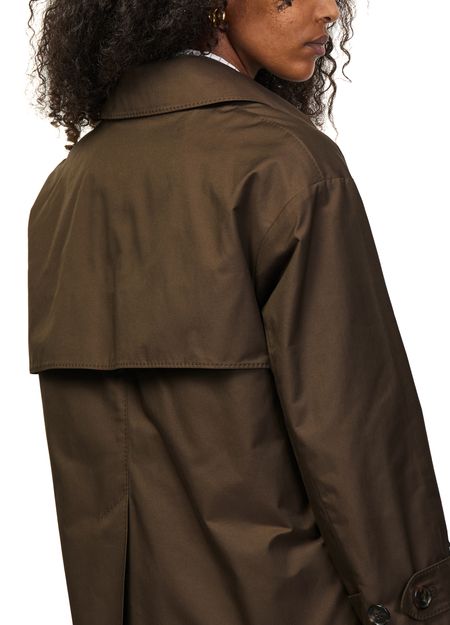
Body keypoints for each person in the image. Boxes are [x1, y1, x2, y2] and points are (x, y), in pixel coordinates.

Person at [27, 1, 450, 625]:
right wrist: (423, 605)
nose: (329, 11)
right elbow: (356, 433)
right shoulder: (284, 166)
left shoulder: (65, 191)